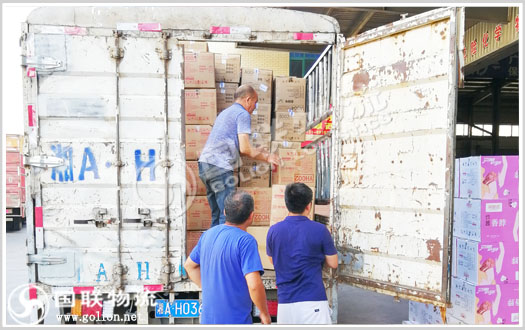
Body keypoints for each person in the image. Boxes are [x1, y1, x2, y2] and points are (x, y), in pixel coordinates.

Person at [198, 85, 281, 227]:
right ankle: (224, 249)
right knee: (228, 215)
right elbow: (245, 149)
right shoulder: (242, 114)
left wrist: (258, 150)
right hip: (219, 168)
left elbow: (240, 147)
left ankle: (212, 248)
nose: (254, 107)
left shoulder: (225, 113)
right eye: (255, 102)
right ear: (248, 99)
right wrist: (267, 158)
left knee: (217, 214)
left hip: (205, 165)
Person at [184, 190, 271, 324]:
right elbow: (254, 285)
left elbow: (189, 266)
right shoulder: (245, 241)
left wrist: (209, 288)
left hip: (208, 321)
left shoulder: (208, 235)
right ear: (251, 216)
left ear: (224, 212)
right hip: (235, 321)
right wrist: (264, 314)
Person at [266, 183, 338, 324]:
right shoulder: (320, 230)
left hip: (286, 303)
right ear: (309, 206)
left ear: (287, 204)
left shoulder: (274, 231)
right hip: (313, 301)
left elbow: (272, 260)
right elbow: (333, 263)